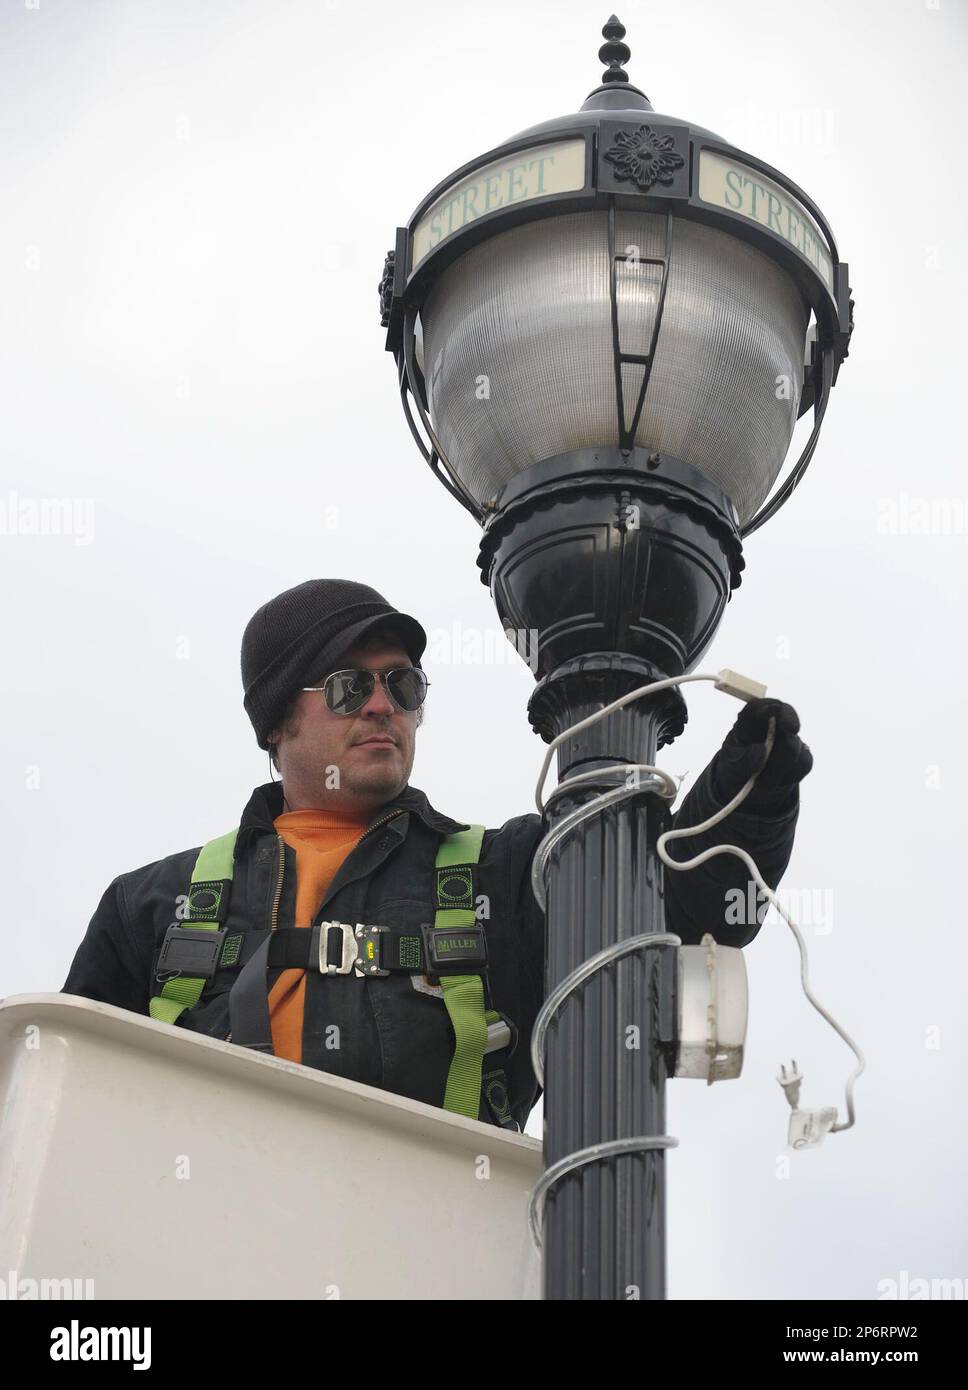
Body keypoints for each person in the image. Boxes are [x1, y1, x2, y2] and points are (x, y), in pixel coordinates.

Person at [62, 578, 812, 1132]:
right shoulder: (150, 905)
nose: (384, 704)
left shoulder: (508, 875)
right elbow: (67, 1110)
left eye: (404, 684)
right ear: (275, 722)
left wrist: (755, 788)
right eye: (352, 686)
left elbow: (685, 904)